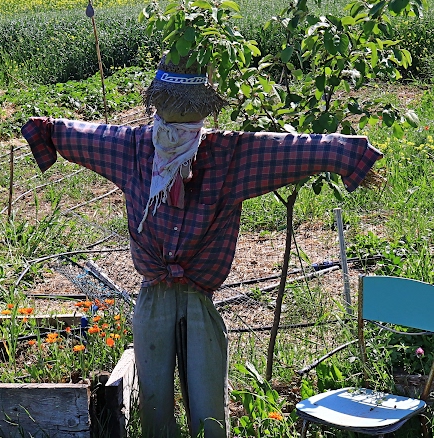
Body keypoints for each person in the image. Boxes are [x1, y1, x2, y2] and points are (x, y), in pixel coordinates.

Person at [21, 53, 383, 438]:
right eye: (172, 108)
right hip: (154, 296)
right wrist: (46, 132)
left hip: (199, 298)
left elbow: (294, 149)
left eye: (187, 110)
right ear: (157, 104)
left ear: (204, 109)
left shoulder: (228, 155)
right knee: (154, 402)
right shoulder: (134, 149)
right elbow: (78, 135)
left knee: (208, 404)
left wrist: (346, 153)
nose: (178, 121)